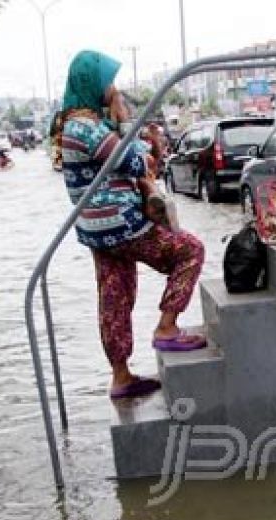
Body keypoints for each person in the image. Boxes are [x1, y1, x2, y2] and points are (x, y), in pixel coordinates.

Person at [57, 50, 207, 399]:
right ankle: (167, 328)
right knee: (189, 251)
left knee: (114, 297)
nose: (113, 87)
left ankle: (121, 377)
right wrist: (129, 126)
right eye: (108, 80)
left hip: (97, 232)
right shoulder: (86, 127)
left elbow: (134, 156)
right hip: (121, 224)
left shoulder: (77, 125)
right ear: (93, 83)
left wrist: (133, 138)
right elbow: (135, 162)